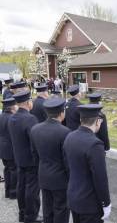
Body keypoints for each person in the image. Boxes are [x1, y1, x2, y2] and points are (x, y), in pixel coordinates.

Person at [64, 104, 111, 223]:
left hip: (73, 196)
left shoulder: (69, 136)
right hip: (89, 204)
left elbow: (68, 166)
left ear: (81, 119)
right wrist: (106, 203)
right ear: (97, 122)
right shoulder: (95, 144)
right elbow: (100, 178)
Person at [30, 97, 71, 223]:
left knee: (47, 208)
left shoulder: (35, 129)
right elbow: (67, 161)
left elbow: (34, 155)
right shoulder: (65, 132)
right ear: (61, 113)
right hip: (60, 179)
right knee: (61, 209)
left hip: (43, 174)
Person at [8, 90, 42, 223]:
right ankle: (31, 216)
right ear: (28, 102)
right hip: (31, 160)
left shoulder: (13, 117)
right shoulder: (30, 119)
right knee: (32, 190)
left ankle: (22, 214)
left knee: (21, 186)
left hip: (19, 158)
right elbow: (35, 141)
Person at [0, 98, 18, 198]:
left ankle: (7, 190)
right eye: (16, 105)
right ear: (12, 107)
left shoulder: (1, 116)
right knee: (13, 170)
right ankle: (13, 192)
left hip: (2, 147)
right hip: (11, 148)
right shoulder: (12, 118)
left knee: (7, 169)